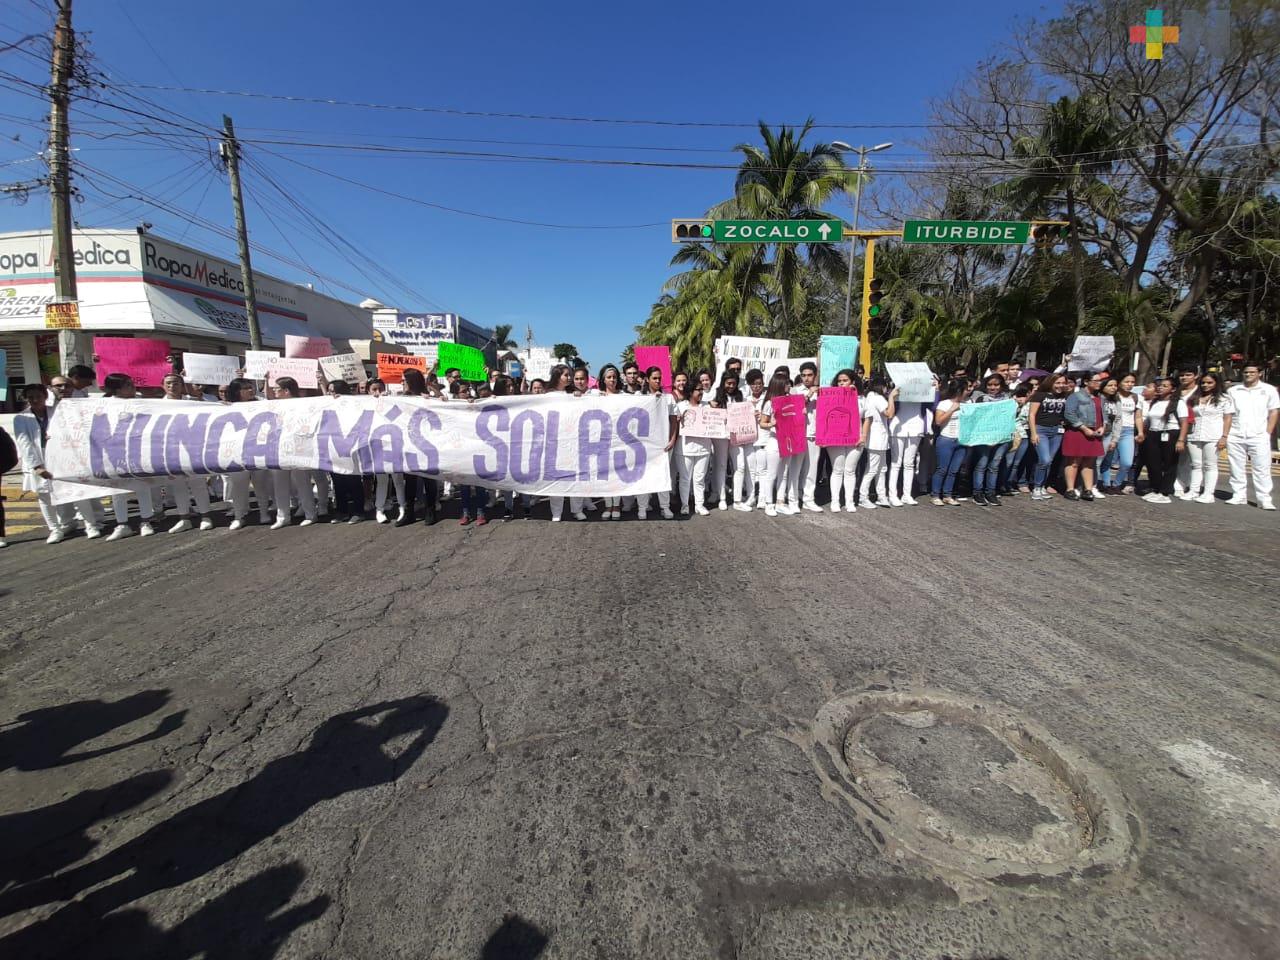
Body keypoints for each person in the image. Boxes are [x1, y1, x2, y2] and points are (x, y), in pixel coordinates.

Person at [13, 383, 103, 543]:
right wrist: (37, 466)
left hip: (64, 458)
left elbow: (72, 431)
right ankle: (55, 529)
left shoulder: (57, 411)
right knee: (45, 497)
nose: (35, 400)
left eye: (38, 396)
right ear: (26, 399)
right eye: (31, 397)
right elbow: (24, 443)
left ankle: (91, 525)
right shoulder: (20, 418)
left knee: (77, 491)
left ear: (45, 396)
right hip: (39, 461)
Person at [98, 373, 161, 540]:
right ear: (117, 389)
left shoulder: (141, 401)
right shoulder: (104, 404)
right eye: (128, 385)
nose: (133, 388)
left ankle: (146, 521)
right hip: (113, 451)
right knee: (117, 489)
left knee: (142, 485)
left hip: (137, 450)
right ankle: (122, 524)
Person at [159, 373, 215, 533]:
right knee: (178, 485)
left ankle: (206, 516)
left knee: (198, 483)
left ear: (182, 385)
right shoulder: (155, 404)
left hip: (192, 448)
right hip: (170, 449)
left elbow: (212, 411)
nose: (172, 386)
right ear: (162, 385)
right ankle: (184, 518)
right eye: (168, 383)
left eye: (176, 383)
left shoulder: (192, 403)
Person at [222, 378, 279, 530]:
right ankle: (239, 516)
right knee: (239, 486)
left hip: (257, 450)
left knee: (261, 484)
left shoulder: (260, 403)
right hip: (236, 453)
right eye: (246, 388)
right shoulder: (227, 407)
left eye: (250, 387)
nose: (250, 390)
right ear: (236, 391)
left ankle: (264, 513)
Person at [1225, 362, 1279, 509]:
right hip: (1236, 433)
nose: (1248, 375)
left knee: (1262, 467)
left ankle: (1264, 499)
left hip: (1259, 434)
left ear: (1259, 373)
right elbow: (1229, 413)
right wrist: (1227, 434)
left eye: (1252, 372)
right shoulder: (1234, 390)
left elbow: (1274, 411)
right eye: (1246, 372)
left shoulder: (1268, 390)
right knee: (1236, 466)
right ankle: (1238, 495)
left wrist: (1268, 432)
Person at [269, 377, 318, 528]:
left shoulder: (302, 404)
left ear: (286, 391)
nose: (274, 391)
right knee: (280, 484)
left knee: (302, 482)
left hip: (298, 449)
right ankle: (283, 517)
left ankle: (310, 514)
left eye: (277, 389)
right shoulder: (273, 405)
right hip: (278, 449)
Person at [1178, 371, 1234, 504]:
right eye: (1203, 382)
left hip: (1213, 435)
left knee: (1210, 465)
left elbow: (1228, 419)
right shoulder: (1194, 398)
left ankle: (1208, 493)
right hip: (1194, 434)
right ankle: (1193, 490)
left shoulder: (1224, 399)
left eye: (1209, 382)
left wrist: (1224, 437)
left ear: (1216, 383)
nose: (1205, 385)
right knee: (1196, 464)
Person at [960, 373, 1011, 506]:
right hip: (984, 438)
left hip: (1002, 437)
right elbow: (977, 419)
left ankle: (991, 492)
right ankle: (978, 492)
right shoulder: (981, 398)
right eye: (990, 384)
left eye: (996, 385)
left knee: (994, 466)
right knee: (981, 464)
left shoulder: (1007, 399)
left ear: (1001, 385)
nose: (993, 387)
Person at [544, 365, 586, 521]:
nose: (569, 378)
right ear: (557, 376)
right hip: (555, 442)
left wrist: (578, 397)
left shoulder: (573, 394)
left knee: (577, 477)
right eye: (566, 375)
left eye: (570, 375)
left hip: (574, 441)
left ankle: (577, 509)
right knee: (556, 478)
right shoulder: (546, 396)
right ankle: (556, 512)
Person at [638, 365, 678, 520]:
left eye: (659, 378)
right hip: (645, 444)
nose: (657, 381)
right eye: (654, 378)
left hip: (664, 444)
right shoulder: (639, 397)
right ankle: (642, 507)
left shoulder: (668, 398)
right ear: (647, 379)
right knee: (644, 475)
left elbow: (674, 421)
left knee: (663, 474)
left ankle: (665, 507)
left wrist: (672, 439)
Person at [365, 379, 407, 523]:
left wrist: (390, 401)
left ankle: (402, 507)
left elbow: (400, 414)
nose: (377, 393)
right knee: (382, 480)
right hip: (377, 447)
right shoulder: (363, 405)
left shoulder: (391, 403)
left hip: (394, 446)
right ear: (368, 391)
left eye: (380, 389)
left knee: (398, 479)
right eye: (374, 389)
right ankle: (379, 509)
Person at [323, 380, 366, 523]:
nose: (330, 394)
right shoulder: (327, 404)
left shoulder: (353, 405)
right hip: (333, 447)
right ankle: (342, 511)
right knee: (338, 481)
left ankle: (358, 512)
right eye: (328, 391)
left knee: (353, 480)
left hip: (349, 446)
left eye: (332, 391)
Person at [1062, 372, 1107, 502]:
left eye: (1100, 381)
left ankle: (1087, 489)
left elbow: (1104, 415)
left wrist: (1103, 427)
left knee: (1089, 462)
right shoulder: (1076, 396)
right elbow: (1069, 414)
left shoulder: (1100, 398)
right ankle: (1070, 489)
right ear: (1086, 382)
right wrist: (1083, 427)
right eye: (1096, 381)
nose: (1099, 383)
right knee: (1074, 462)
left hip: (1095, 433)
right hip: (1079, 432)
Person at [1028, 373, 1073, 501]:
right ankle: (1036, 487)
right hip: (1041, 429)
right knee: (1044, 459)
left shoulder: (1065, 396)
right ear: (1051, 383)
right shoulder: (1040, 395)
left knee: (1050, 460)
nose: (1060, 385)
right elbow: (1031, 415)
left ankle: (1042, 486)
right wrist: (1033, 433)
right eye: (1057, 383)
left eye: (1063, 383)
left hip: (1057, 430)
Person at [755, 372, 795, 517]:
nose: (789, 386)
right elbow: (762, 422)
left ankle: (780, 502)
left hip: (789, 441)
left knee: (784, 473)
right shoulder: (769, 403)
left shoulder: (791, 400)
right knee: (771, 474)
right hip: (774, 442)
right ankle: (768, 503)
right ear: (779, 385)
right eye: (786, 383)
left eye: (789, 383)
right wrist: (771, 424)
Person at [1139, 376, 1183, 504]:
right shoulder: (1155, 402)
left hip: (1170, 433)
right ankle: (1156, 488)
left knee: (1169, 464)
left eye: (1165, 386)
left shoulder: (1178, 403)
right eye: (1160, 385)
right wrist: (1143, 433)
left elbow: (1184, 422)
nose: (1160, 388)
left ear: (1173, 389)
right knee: (1153, 463)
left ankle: (1165, 492)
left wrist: (1181, 440)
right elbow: (1148, 420)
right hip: (1153, 433)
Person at [887, 378, 930, 506]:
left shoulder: (923, 391)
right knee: (896, 463)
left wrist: (934, 389)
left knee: (909, 463)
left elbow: (931, 406)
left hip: (916, 427)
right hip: (898, 427)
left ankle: (907, 494)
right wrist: (892, 395)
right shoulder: (897, 390)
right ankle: (892, 495)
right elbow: (889, 408)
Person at [824, 369, 862, 512]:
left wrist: (863, 436)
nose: (842, 383)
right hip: (835, 439)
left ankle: (849, 501)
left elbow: (867, 419)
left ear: (852, 382)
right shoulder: (830, 398)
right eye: (839, 381)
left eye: (845, 380)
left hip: (856, 439)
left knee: (850, 470)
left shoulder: (861, 399)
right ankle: (835, 501)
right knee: (837, 469)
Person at [675, 380, 713, 516]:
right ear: (691, 392)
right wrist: (678, 420)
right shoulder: (680, 406)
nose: (701, 393)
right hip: (684, 449)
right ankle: (685, 505)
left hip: (703, 448)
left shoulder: (707, 407)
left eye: (702, 390)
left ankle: (699, 505)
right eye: (698, 390)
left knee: (699, 479)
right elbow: (673, 427)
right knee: (685, 478)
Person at [929, 379, 969, 506]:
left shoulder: (968, 403)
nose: (967, 391)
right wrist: (952, 409)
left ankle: (948, 494)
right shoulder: (944, 404)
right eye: (966, 389)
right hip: (946, 439)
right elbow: (938, 421)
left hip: (961, 440)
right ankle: (935, 494)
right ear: (959, 391)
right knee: (942, 468)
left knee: (954, 470)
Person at [1100, 374, 1141, 494]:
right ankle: (1106, 484)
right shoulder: (1113, 396)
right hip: (1111, 430)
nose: (1130, 384)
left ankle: (1117, 483)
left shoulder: (1136, 397)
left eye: (1132, 382)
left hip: (1128, 431)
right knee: (1107, 460)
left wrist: (1141, 432)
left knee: (1127, 462)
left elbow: (1138, 416)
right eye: (1126, 382)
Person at [858, 378, 895, 509]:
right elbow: (889, 413)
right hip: (877, 438)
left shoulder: (869, 396)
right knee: (873, 469)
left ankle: (881, 496)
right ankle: (863, 496)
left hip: (877, 437)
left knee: (881, 468)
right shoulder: (879, 398)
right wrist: (891, 397)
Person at [709, 372, 743, 511]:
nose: (731, 386)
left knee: (740, 466)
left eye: (734, 383)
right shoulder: (716, 394)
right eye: (728, 383)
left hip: (737, 435)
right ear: (723, 382)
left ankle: (737, 499)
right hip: (721, 435)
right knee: (721, 465)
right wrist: (711, 406)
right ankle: (722, 497)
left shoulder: (740, 396)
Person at [793, 361, 824, 512]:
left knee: (811, 468)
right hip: (797, 435)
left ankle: (808, 499)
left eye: (809, 375)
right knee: (796, 468)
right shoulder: (795, 390)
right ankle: (793, 497)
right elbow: (795, 407)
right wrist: (810, 393)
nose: (806, 378)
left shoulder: (822, 392)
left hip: (814, 435)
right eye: (803, 375)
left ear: (815, 375)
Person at [597, 364, 625, 519]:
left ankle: (616, 506)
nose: (612, 380)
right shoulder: (595, 396)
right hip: (602, 441)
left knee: (618, 474)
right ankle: (608, 505)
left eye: (614, 377)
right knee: (605, 475)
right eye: (609, 377)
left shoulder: (624, 396)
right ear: (603, 379)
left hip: (620, 440)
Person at [1173, 366, 1200, 497]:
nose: (1184, 378)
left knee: (1194, 461)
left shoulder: (1200, 392)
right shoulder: (1175, 391)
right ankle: (1177, 483)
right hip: (1174, 428)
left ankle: (1187, 486)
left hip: (1195, 430)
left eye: (1188, 374)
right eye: (1182, 375)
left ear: (1195, 376)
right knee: (1177, 458)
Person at [1002, 383, 1033, 495]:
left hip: (1024, 435)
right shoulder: (1013, 400)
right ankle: (1001, 483)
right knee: (1008, 461)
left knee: (1017, 462)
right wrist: (1019, 405)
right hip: (1013, 434)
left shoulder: (1032, 403)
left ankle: (1008, 484)